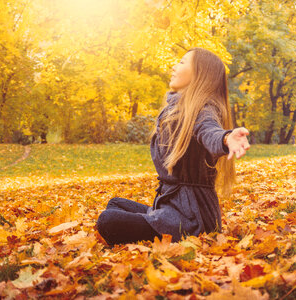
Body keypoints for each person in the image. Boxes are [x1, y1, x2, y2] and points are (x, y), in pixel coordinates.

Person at [96, 47, 250, 245]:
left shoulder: (203, 109)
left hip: (192, 218)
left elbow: (210, 131)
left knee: (108, 220)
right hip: (173, 208)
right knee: (115, 204)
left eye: (182, 62)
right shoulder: (179, 108)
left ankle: (166, 228)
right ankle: (157, 219)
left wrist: (226, 139)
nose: (174, 66)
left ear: (200, 74)